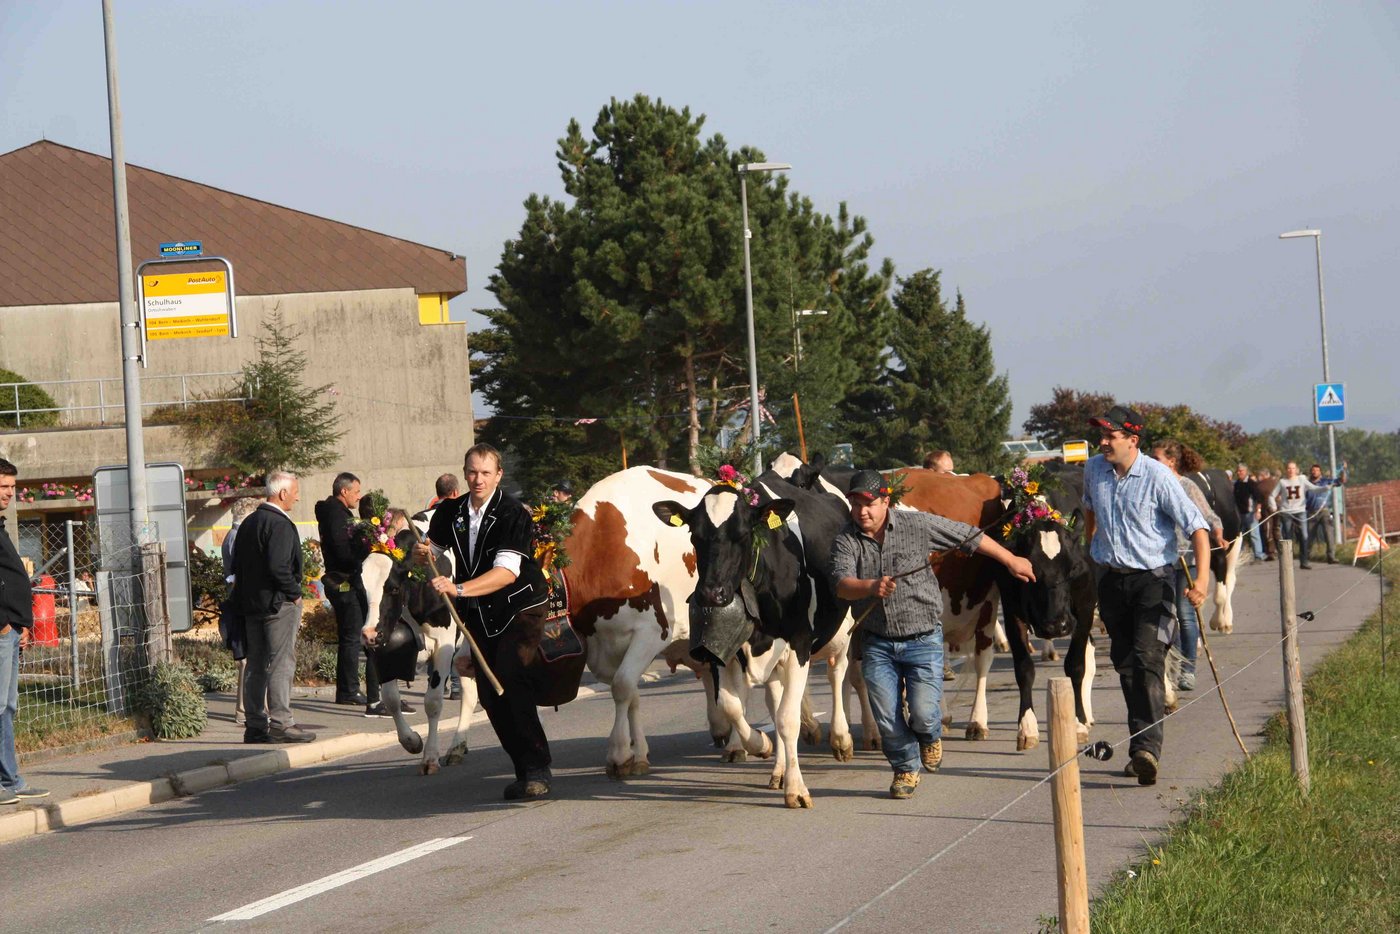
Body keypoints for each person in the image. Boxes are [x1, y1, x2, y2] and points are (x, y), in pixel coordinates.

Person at [830, 469, 1035, 800]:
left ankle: (929, 735)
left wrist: (1010, 560)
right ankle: (905, 769)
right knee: (887, 718)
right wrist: (869, 586)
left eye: (868, 504)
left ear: (885, 501)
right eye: (855, 505)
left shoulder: (916, 525)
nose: (861, 512)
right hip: (877, 641)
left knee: (925, 714)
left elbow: (968, 535)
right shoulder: (846, 539)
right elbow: (841, 583)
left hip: (922, 638)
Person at [416, 444, 553, 800]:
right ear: (465, 473)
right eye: (473, 472)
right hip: (480, 611)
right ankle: (522, 769)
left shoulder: (512, 512)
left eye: (486, 473)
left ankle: (537, 767)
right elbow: (434, 550)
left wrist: (458, 589)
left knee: (511, 676)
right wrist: (422, 553)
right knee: (490, 696)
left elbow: (506, 573)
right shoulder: (451, 511)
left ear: (498, 475)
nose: (478, 479)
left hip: (520, 606)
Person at [1082, 406, 1208, 786]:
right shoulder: (1093, 469)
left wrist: (1202, 581)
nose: (1103, 442)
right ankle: (1140, 746)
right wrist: (1092, 548)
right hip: (1111, 581)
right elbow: (1089, 510)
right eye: (1101, 435)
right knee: (1125, 665)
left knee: (1148, 658)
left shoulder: (1157, 476)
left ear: (1132, 440)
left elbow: (1197, 527)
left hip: (1153, 581)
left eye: (1110, 436)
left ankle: (1146, 750)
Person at [234, 471, 316, 744]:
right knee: (281, 662)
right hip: (278, 605)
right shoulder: (279, 523)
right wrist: (295, 594)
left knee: (255, 665)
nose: (297, 497)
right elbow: (279, 566)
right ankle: (282, 722)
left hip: (251, 606)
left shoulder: (249, 522)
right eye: (295, 492)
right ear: (282, 493)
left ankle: (255, 726)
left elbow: (237, 565)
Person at [1150, 440, 1225, 692]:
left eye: (1157, 459)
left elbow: (1209, 516)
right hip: (1160, 562)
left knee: (1185, 615)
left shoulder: (1187, 486)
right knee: (1165, 616)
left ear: (1171, 461)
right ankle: (1169, 667)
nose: (1152, 462)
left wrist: (1218, 534)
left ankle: (1188, 670)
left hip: (1187, 560)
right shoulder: (1151, 486)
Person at [0, 458, 49, 803]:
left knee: (6, 707)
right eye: (3, 487)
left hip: (11, 629)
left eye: (12, 488)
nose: (8, 493)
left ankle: (10, 780)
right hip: (2, 630)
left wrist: (21, 623)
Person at [315, 472, 381, 712]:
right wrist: (363, 554)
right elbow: (342, 551)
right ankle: (349, 690)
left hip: (343, 579)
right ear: (344, 491)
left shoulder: (337, 513)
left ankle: (347, 689)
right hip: (344, 581)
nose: (358, 496)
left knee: (350, 635)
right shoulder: (337, 515)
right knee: (352, 636)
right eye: (356, 491)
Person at [221, 495, 262, 725]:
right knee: (247, 659)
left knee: (246, 658)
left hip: (237, 600)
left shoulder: (231, 535)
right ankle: (245, 709)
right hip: (242, 602)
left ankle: (246, 708)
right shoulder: (238, 537)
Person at [1268, 462, 1319, 570]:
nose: (1291, 470)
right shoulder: (1282, 482)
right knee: (1287, 537)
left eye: (1293, 468)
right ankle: (1288, 562)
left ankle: (1304, 561)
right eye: (1289, 468)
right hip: (1286, 512)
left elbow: (1313, 488)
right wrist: (1273, 506)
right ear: (1286, 470)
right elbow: (1272, 495)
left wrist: (1326, 488)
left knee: (1304, 536)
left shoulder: (1302, 480)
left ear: (1296, 470)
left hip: (1300, 511)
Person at [1305, 462, 1347, 565]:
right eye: (1313, 470)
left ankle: (1331, 556)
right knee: (1309, 536)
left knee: (1329, 533)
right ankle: (1306, 557)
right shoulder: (1306, 484)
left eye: (1317, 470)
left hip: (1324, 511)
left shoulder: (1326, 481)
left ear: (1320, 472)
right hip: (1311, 512)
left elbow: (1341, 481)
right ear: (1311, 472)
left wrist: (1343, 470)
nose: (1315, 472)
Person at [1233, 463, 1265, 561]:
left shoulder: (1251, 483)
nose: (1239, 473)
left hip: (1250, 513)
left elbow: (1259, 499)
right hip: (1239, 514)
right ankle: (1241, 555)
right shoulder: (1237, 484)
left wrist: (1258, 511)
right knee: (1239, 536)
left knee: (1254, 534)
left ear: (1246, 471)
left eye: (1241, 471)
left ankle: (1258, 555)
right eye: (1238, 471)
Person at [1253, 467, 1278, 561]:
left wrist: (1258, 510)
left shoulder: (1261, 485)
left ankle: (1271, 551)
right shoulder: (1276, 482)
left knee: (1267, 530)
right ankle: (1279, 549)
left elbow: (1259, 500)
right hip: (1277, 509)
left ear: (1263, 475)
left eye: (1260, 475)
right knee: (1276, 529)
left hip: (1267, 510)